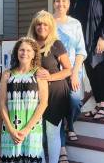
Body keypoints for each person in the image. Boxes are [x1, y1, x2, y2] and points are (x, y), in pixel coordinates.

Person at [27, 10, 72, 163]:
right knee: (36, 133)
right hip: (34, 95)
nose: (42, 27)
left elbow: (68, 70)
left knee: (52, 133)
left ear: (50, 26)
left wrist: (50, 77)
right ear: (34, 26)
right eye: (39, 24)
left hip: (55, 93)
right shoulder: (29, 46)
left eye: (45, 24)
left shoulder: (56, 44)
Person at [0, 37, 48, 163]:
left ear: (34, 54)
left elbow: (43, 103)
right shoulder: (7, 75)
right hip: (11, 130)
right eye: (21, 50)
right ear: (17, 52)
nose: (24, 53)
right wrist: (10, 130)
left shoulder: (39, 73)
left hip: (31, 129)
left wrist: (27, 129)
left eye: (28, 50)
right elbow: (2, 104)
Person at [53, 0, 87, 162]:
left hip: (73, 70)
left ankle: (70, 123)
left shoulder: (75, 24)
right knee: (58, 107)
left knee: (74, 101)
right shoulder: (48, 23)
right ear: (53, 3)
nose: (60, 4)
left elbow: (81, 51)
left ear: (68, 4)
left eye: (63, 1)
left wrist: (74, 73)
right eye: (57, 1)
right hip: (55, 74)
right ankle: (62, 148)